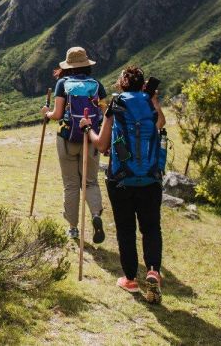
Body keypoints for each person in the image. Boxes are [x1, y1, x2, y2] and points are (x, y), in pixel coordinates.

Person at [80, 66, 166, 304]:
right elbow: (160, 124)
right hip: (150, 178)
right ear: (142, 85)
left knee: (126, 229)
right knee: (151, 228)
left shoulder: (116, 106)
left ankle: (130, 278)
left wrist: (87, 128)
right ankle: (152, 271)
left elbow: (101, 144)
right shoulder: (149, 104)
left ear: (122, 84)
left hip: (121, 179)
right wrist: (153, 98)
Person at [40, 47, 106, 243]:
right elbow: (103, 114)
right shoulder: (97, 85)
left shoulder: (63, 84)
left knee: (71, 184)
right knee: (91, 182)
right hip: (91, 138)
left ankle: (73, 228)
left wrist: (47, 113)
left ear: (68, 66)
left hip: (67, 138)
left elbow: (58, 115)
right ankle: (95, 215)